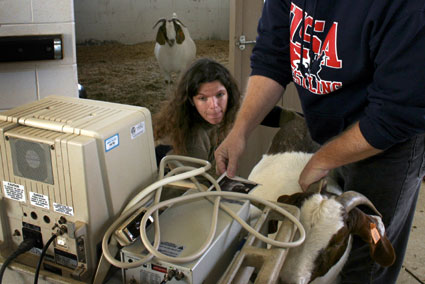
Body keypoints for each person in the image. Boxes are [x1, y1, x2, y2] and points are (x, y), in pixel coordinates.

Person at [215, 0, 425, 283]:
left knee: (365, 260)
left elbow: (395, 114)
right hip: (331, 127)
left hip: (390, 143)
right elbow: (272, 56)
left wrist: (323, 159)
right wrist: (239, 131)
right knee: (324, 239)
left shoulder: (406, 8)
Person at [153, 58, 241, 179]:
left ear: (229, 93)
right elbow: (196, 187)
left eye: (219, 95)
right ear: (191, 100)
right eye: (203, 98)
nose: (214, 106)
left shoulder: (228, 108)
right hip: (172, 190)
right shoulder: (191, 137)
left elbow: (256, 110)